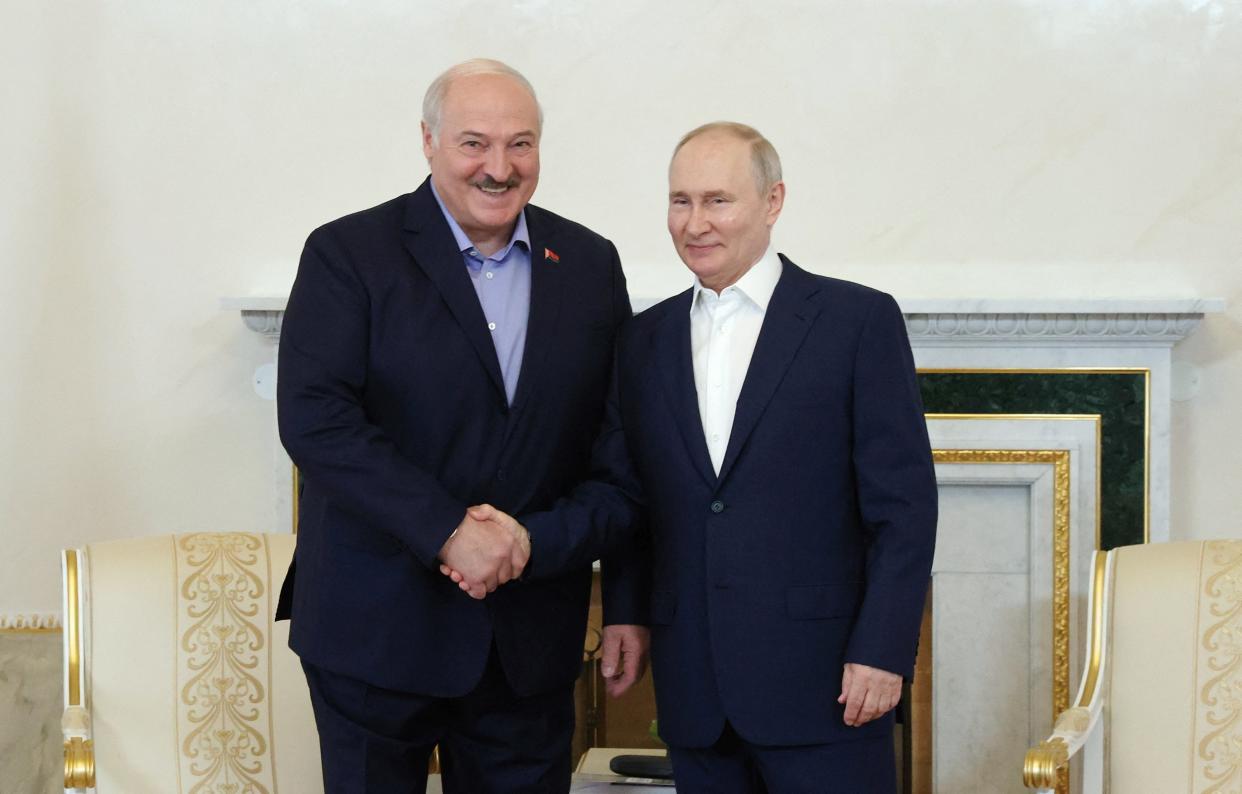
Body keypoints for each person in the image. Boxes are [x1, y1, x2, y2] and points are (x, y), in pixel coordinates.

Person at [453, 122, 937, 793]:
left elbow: (905, 510)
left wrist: (882, 652)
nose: (695, 223)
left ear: (773, 202)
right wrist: (623, 609)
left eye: (718, 201)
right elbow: (630, 494)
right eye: (680, 201)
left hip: (828, 685)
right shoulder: (642, 340)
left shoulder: (857, 322)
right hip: (695, 694)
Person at [275, 58, 647, 794]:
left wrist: (622, 599)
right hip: (373, 633)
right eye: (475, 142)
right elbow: (318, 423)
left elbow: (623, 452)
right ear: (429, 141)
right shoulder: (347, 254)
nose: (499, 167)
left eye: (521, 144)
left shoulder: (589, 265)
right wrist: (452, 529)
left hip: (526, 645)